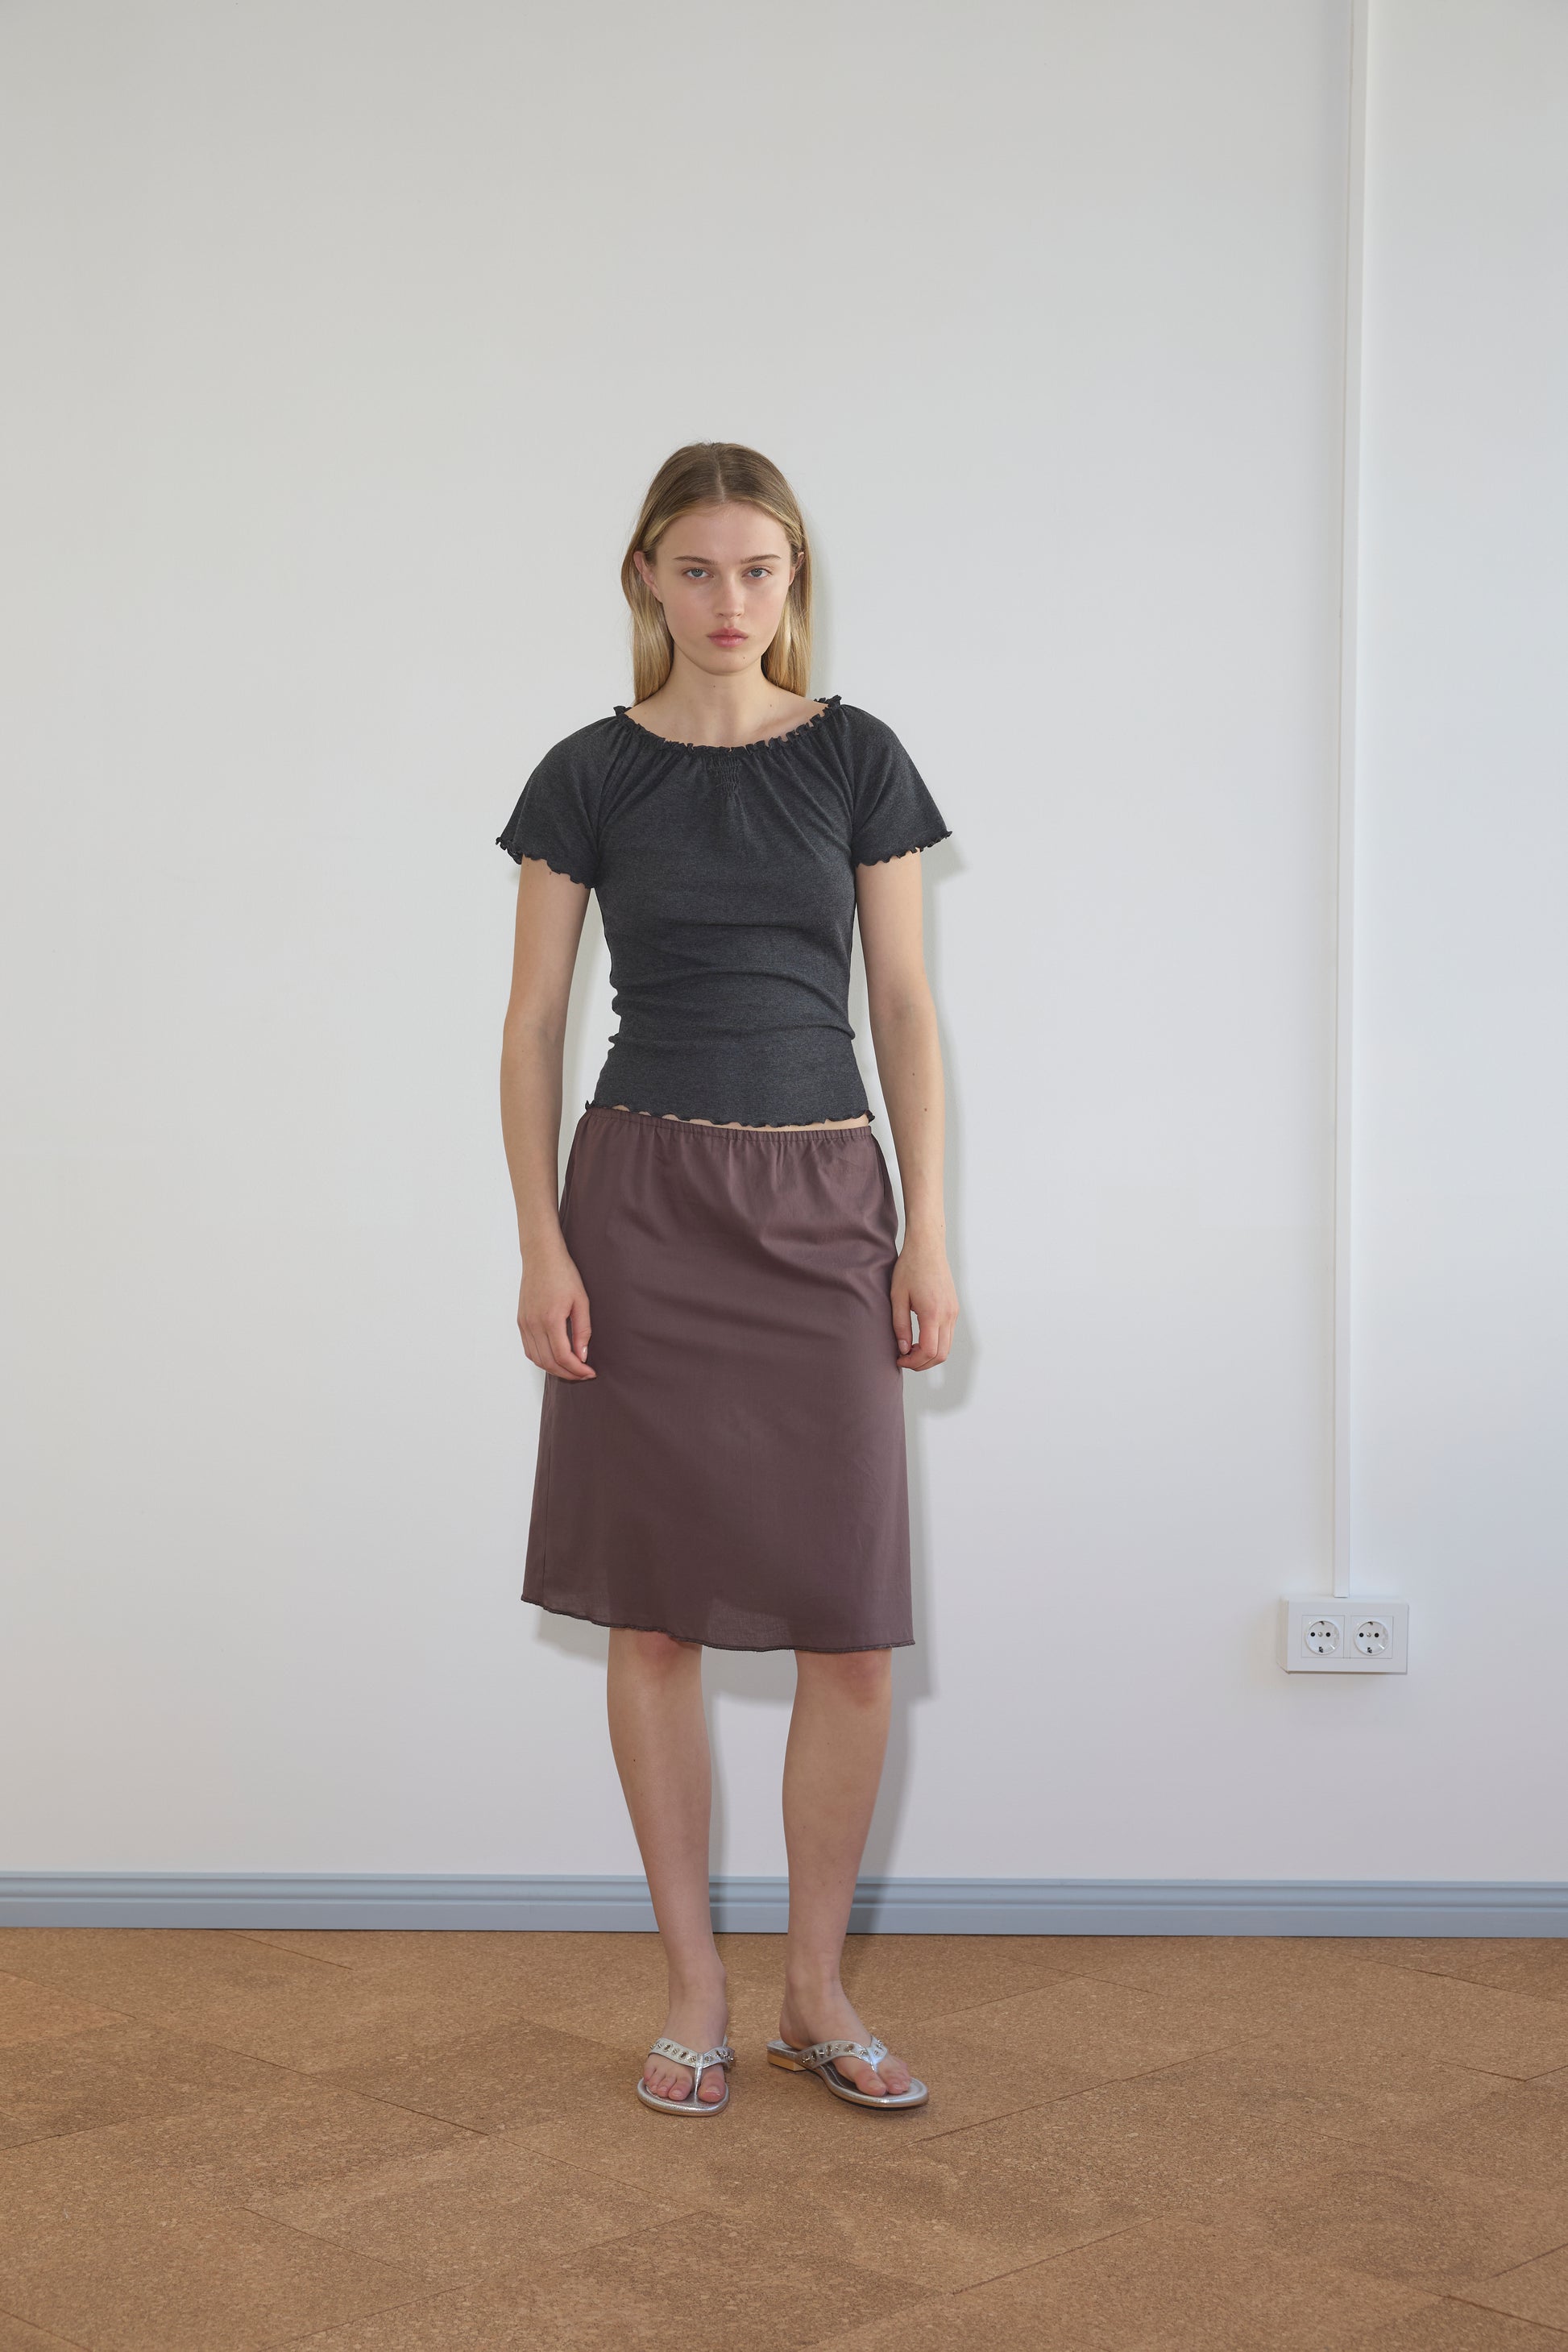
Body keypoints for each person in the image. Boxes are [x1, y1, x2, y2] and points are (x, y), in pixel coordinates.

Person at [496, 442, 958, 2118]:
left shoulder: (855, 757)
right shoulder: (584, 774)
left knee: (847, 1631)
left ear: (791, 581)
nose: (725, 600)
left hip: (824, 1193)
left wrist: (926, 1227)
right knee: (654, 1616)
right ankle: (693, 1980)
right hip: (641, 1201)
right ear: (645, 578)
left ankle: (815, 1989)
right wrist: (543, 1236)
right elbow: (536, 1022)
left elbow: (901, 1008)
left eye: (755, 570)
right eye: (695, 569)